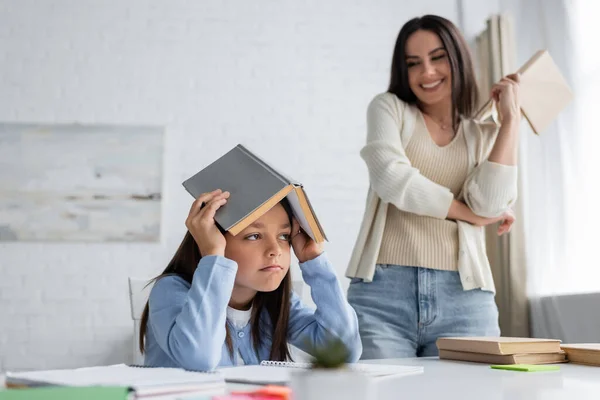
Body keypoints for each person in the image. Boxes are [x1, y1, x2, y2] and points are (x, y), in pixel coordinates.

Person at [346, 15, 520, 359]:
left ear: (458, 57)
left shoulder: (483, 132)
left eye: (437, 57)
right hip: (383, 295)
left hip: (466, 297)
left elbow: (490, 204)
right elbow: (392, 178)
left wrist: (510, 121)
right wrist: (464, 212)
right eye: (414, 63)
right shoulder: (389, 109)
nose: (427, 72)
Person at [139, 189, 362, 370]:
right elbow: (199, 359)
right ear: (212, 241)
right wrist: (214, 256)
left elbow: (343, 351)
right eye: (254, 236)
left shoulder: (273, 302)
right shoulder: (170, 290)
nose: (275, 250)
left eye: (284, 236)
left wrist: (314, 260)